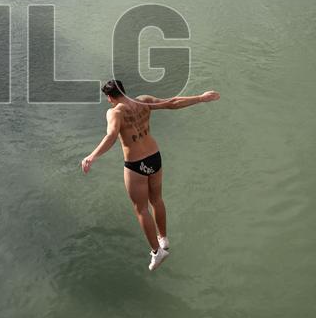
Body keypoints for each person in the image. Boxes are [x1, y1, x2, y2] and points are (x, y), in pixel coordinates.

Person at [81, 80, 221, 271]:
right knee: (157, 199)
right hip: (155, 157)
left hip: (137, 164)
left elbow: (111, 135)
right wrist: (201, 98)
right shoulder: (143, 101)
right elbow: (172, 102)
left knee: (141, 209)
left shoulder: (114, 112)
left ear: (109, 97)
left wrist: (92, 156)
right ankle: (163, 238)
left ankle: (157, 252)